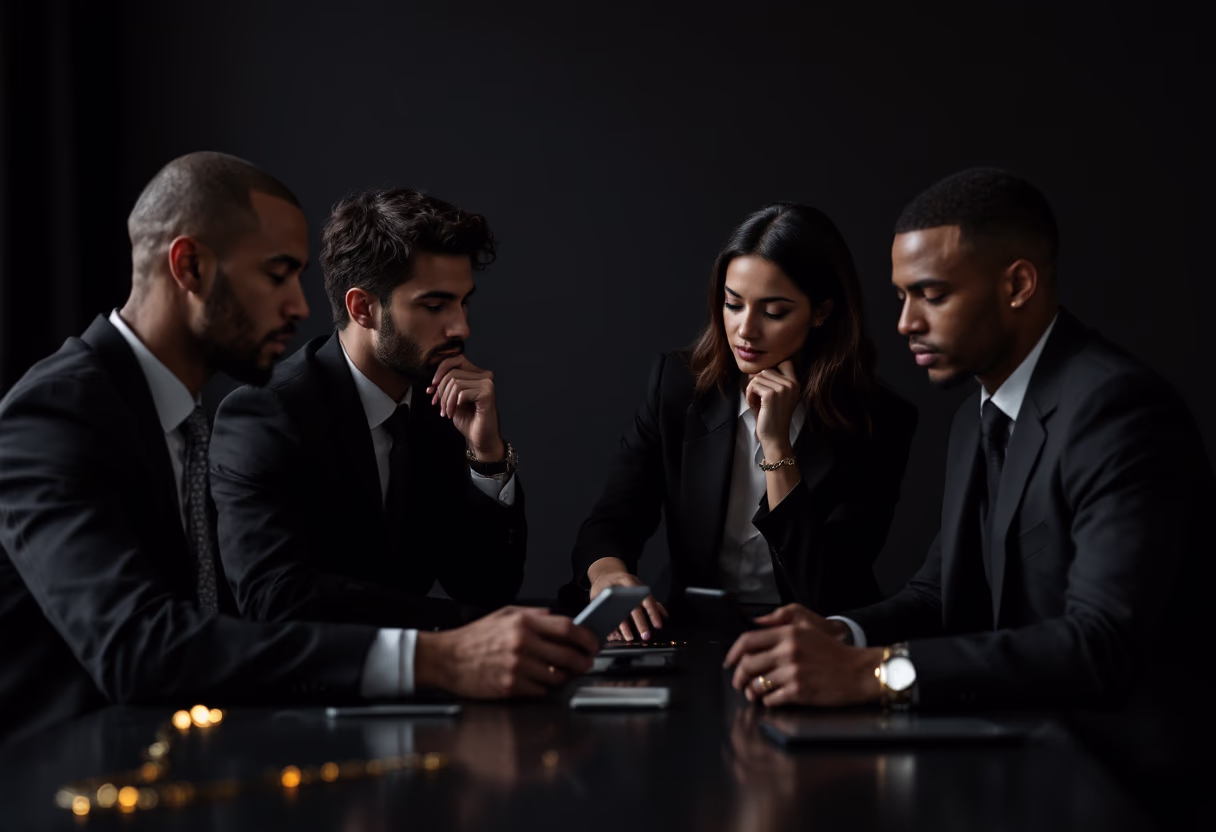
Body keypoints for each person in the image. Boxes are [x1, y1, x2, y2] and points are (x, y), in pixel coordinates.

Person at [0, 153, 597, 745]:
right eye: (276, 274)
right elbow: (145, 645)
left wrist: (487, 457)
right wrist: (441, 655)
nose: (301, 306)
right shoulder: (56, 410)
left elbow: (481, 581)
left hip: (183, 754)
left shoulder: (175, 411)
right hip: (63, 772)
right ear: (190, 266)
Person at [723, 169, 1210, 820]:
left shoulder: (1117, 409)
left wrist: (875, 672)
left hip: (1121, 787)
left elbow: (1101, 645)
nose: (905, 323)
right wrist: (842, 634)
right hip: (1011, 757)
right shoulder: (974, 416)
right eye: (901, 297)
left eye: (931, 294)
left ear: (1018, 285)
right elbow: (939, 594)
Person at [569, 203, 918, 641]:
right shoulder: (677, 387)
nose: (745, 330)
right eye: (733, 304)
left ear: (821, 311)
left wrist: (776, 446)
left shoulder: (879, 419)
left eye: (774, 312)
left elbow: (825, 587)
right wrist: (608, 574)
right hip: (692, 632)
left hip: (815, 641)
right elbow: (611, 521)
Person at [210, 187, 525, 630]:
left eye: (463, 301)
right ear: (362, 308)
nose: (461, 327)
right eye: (435, 305)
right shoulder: (267, 414)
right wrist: (461, 625)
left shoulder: (440, 408)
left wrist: (487, 455)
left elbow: (486, 586)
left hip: (422, 668)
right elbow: (277, 599)